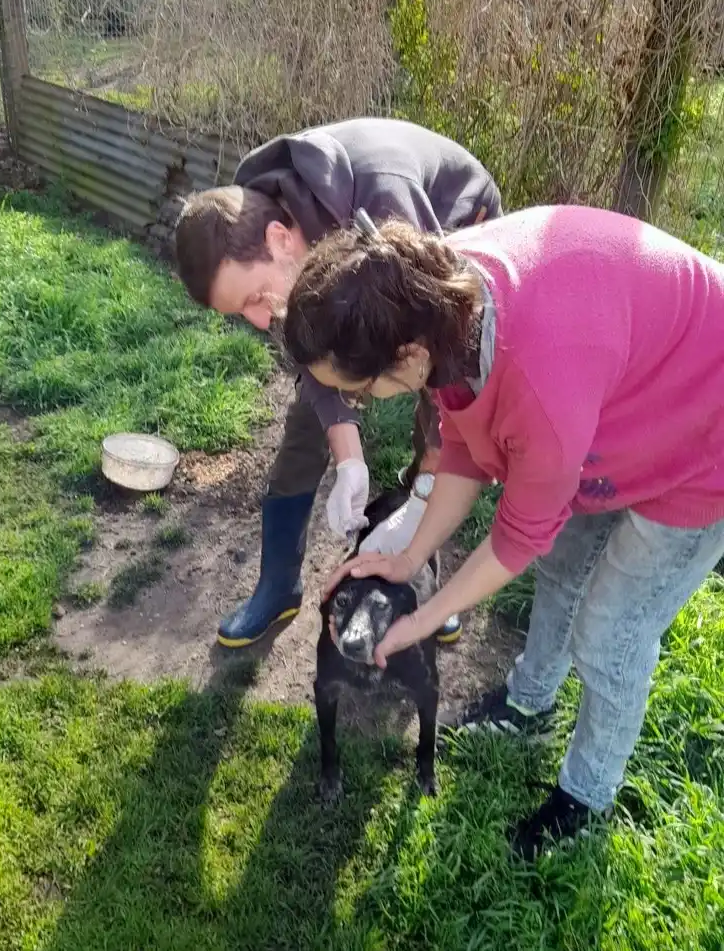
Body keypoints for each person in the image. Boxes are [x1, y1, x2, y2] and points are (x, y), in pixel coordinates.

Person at [282, 205, 724, 858]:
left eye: (357, 390)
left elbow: (517, 537)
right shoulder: (428, 295)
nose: (359, 404)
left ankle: (589, 795)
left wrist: (425, 617)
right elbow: (462, 442)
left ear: (405, 355)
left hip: (706, 426)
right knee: (566, 566)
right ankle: (528, 704)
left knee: (611, 630)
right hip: (615, 390)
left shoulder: (539, 381)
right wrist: (408, 556)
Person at [174, 118, 502, 647]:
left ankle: (421, 576)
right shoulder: (251, 217)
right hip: (364, 267)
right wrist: (349, 457)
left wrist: (427, 489)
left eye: (257, 297)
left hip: (447, 236)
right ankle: (277, 587)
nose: (261, 321)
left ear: (280, 238)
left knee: (439, 412)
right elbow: (312, 359)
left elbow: (438, 334)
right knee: (306, 426)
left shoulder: (383, 200)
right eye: (243, 313)